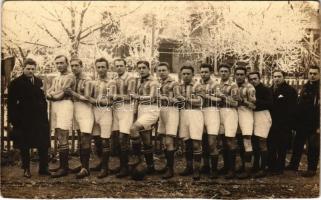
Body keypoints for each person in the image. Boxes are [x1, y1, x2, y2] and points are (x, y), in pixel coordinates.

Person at [8, 58, 51, 178]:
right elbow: (11, 104)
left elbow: (43, 99)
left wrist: (44, 114)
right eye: (28, 69)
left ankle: (43, 168)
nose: (30, 71)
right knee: (24, 145)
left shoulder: (39, 82)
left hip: (39, 119)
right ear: (23, 68)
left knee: (43, 144)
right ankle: (26, 169)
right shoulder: (15, 83)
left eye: (33, 69)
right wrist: (14, 120)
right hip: (24, 120)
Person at [286, 65, 320, 177]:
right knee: (297, 144)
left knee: (313, 146)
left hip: (314, 123)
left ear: (319, 74)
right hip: (302, 122)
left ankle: (311, 169)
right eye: (311, 73)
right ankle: (293, 165)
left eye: (315, 73)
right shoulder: (305, 86)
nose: (312, 75)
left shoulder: (319, 88)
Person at [64, 58, 94, 179]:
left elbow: (87, 98)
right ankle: (83, 165)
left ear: (82, 66)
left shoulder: (87, 80)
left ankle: (85, 168)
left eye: (77, 65)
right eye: (72, 66)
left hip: (85, 110)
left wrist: (72, 93)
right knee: (80, 137)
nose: (74, 68)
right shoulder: (72, 79)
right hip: (76, 109)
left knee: (85, 138)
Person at [87, 57, 117, 179]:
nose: (100, 69)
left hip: (106, 112)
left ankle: (105, 168)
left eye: (103, 67)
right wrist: (97, 101)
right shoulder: (93, 82)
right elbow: (88, 97)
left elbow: (110, 101)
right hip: (94, 112)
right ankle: (101, 163)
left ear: (107, 68)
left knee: (105, 140)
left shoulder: (112, 83)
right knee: (96, 139)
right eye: (98, 67)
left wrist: (97, 101)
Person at [47, 55, 75, 178]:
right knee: (58, 133)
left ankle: (64, 168)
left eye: (61, 63)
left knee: (63, 134)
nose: (59, 65)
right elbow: (48, 91)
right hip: (55, 106)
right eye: (57, 63)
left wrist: (52, 95)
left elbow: (61, 95)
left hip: (65, 105)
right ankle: (62, 165)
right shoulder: (57, 77)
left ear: (67, 63)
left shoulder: (70, 77)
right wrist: (52, 94)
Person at [129, 60, 160, 176]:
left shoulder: (153, 82)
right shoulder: (139, 82)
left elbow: (152, 98)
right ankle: (151, 167)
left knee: (133, 129)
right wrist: (135, 113)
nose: (141, 70)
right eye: (139, 68)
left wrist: (138, 96)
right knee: (147, 140)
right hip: (142, 109)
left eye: (144, 68)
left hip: (151, 110)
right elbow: (137, 100)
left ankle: (137, 157)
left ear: (149, 69)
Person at [177, 65, 204, 180]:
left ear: (193, 74)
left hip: (195, 114)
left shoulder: (198, 86)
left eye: (188, 74)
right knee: (187, 142)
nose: (186, 76)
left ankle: (197, 170)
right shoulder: (178, 86)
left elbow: (200, 102)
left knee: (196, 143)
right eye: (184, 74)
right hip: (183, 114)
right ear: (181, 74)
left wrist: (186, 99)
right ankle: (189, 167)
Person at [268, 70, 297, 175]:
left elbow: (292, 109)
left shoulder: (290, 91)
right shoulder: (270, 89)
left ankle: (279, 168)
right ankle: (271, 167)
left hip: (284, 124)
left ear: (284, 77)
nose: (276, 78)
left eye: (279, 76)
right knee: (271, 145)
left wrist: (289, 124)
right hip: (271, 122)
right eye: (275, 76)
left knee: (281, 147)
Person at [112, 58, 137, 178]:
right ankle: (123, 165)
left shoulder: (130, 79)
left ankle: (125, 168)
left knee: (124, 137)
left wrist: (115, 96)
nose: (119, 68)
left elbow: (130, 97)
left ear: (125, 66)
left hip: (126, 109)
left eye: (121, 65)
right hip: (116, 109)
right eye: (117, 66)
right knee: (117, 137)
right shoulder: (115, 79)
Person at [155, 62, 180, 179]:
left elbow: (179, 100)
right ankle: (167, 166)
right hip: (162, 111)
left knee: (169, 141)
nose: (161, 72)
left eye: (163, 70)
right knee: (165, 141)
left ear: (168, 70)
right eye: (159, 70)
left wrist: (166, 98)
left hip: (172, 111)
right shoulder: (158, 83)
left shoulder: (174, 83)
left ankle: (170, 169)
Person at [248, 71, 273, 178]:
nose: (253, 81)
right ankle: (256, 166)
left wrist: (256, 101)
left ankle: (264, 168)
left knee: (262, 141)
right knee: (254, 141)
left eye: (255, 78)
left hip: (262, 115)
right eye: (251, 79)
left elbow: (270, 104)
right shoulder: (249, 89)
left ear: (259, 78)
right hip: (251, 115)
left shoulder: (266, 89)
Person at [216, 63, 239, 179]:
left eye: (226, 71)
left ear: (229, 73)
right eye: (222, 71)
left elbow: (235, 103)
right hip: (219, 113)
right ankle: (226, 166)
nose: (223, 73)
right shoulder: (217, 85)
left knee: (230, 140)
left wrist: (222, 97)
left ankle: (232, 169)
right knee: (223, 141)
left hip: (230, 112)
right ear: (219, 72)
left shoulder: (233, 86)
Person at [199, 63, 221, 179]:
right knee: (204, 141)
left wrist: (206, 96)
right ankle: (206, 165)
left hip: (212, 112)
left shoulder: (215, 85)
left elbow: (219, 99)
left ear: (210, 72)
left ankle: (214, 169)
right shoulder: (198, 84)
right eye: (202, 72)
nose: (203, 74)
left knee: (212, 142)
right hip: (201, 112)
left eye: (206, 72)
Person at [234, 66, 256, 179]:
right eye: (237, 74)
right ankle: (242, 166)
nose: (239, 76)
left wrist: (242, 100)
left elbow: (254, 105)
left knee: (247, 141)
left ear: (245, 75)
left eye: (241, 74)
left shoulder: (249, 87)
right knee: (239, 141)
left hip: (246, 114)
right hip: (235, 115)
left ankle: (248, 169)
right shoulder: (233, 86)